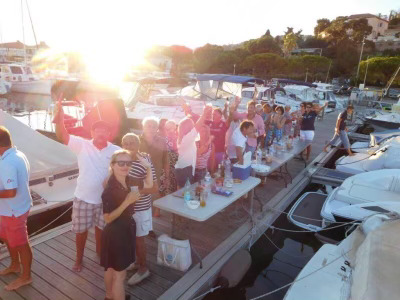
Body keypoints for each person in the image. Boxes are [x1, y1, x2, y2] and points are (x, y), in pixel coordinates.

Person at [54, 101, 120, 272]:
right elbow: (62, 135)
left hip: (104, 201)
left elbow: (130, 159)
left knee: (101, 229)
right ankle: (78, 259)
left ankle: (99, 253)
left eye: (104, 131)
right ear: (92, 133)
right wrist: (59, 116)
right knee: (81, 231)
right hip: (83, 198)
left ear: (109, 134)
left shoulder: (116, 150)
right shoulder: (82, 144)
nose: (100, 133)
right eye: (97, 131)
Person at [101, 150, 149, 300]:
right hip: (117, 234)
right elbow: (108, 218)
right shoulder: (109, 190)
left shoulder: (128, 181)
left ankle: (109, 296)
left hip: (122, 231)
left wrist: (147, 167)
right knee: (120, 275)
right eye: (121, 163)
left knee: (110, 269)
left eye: (128, 163)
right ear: (113, 165)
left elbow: (149, 184)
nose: (125, 166)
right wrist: (127, 201)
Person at [121, 134, 157, 285]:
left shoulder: (145, 162)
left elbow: (154, 188)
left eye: (132, 143)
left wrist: (136, 193)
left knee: (139, 239)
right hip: (127, 208)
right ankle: (137, 263)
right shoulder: (123, 160)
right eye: (126, 143)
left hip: (140, 208)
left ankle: (143, 268)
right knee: (132, 238)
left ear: (138, 144)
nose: (129, 146)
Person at [0, 126, 33, 291]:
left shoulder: (7, 163)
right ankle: (14, 265)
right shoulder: (18, 154)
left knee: (21, 244)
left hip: (13, 212)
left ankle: (26, 277)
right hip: (8, 210)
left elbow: (11, 191)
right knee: (7, 238)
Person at [175, 106, 211, 189]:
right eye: (191, 125)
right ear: (186, 128)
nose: (193, 127)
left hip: (185, 168)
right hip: (185, 169)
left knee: (184, 192)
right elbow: (198, 127)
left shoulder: (186, 139)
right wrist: (204, 114)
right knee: (184, 192)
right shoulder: (186, 139)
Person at [139, 117, 169, 218]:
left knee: (152, 202)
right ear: (143, 127)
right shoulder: (136, 140)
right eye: (148, 126)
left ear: (157, 128)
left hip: (155, 177)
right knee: (137, 202)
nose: (151, 128)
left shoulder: (162, 141)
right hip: (138, 177)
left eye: (154, 126)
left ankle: (149, 228)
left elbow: (166, 160)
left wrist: (167, 177)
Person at [159, 120, 178, 195]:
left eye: (171, 128)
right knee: (165, 189)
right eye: (167, 129)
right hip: (165, 170)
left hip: (176, 169)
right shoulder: (162, 140)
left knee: (174, 188)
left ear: (175, 128)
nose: (170, 131)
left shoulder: (179, 139)